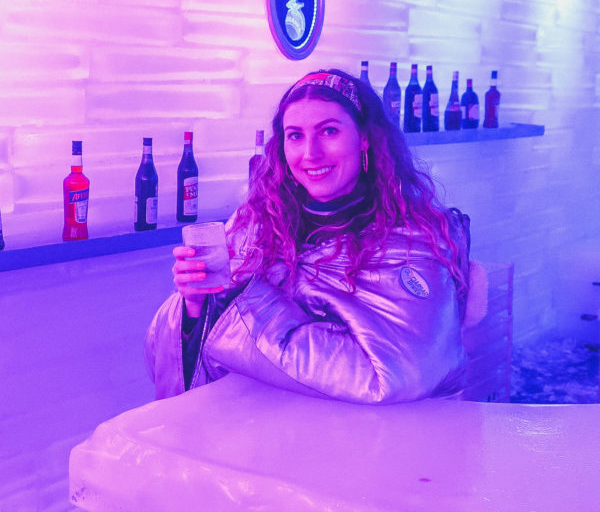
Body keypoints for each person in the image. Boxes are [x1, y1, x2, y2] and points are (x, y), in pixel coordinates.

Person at [145, 69, 471, 404]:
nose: (310, 154)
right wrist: (196, 304)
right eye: (295, 136)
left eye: (329, 131)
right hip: (262, 433)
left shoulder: (411, 239)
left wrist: (240, 304)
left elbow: (398, 374)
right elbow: (169, 356)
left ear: (364, 138)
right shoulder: (254, 223)